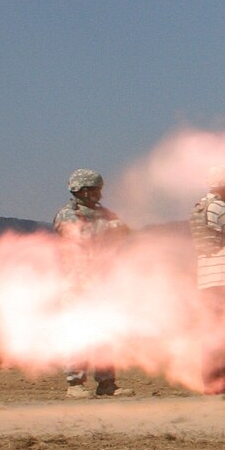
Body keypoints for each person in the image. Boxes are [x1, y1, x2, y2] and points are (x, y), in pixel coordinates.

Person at [53, 168, 129, 399]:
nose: (99, 194)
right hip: (77, 281)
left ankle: (107, 382)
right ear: (83, 191)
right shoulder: (68, 214)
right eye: (95, 190)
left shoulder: (103, 213)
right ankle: (75, 383)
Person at [190, 166, 225, 395]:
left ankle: (212, 383)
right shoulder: (218, 206)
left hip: (206, 277)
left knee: (213, 332)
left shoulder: (199, 207)